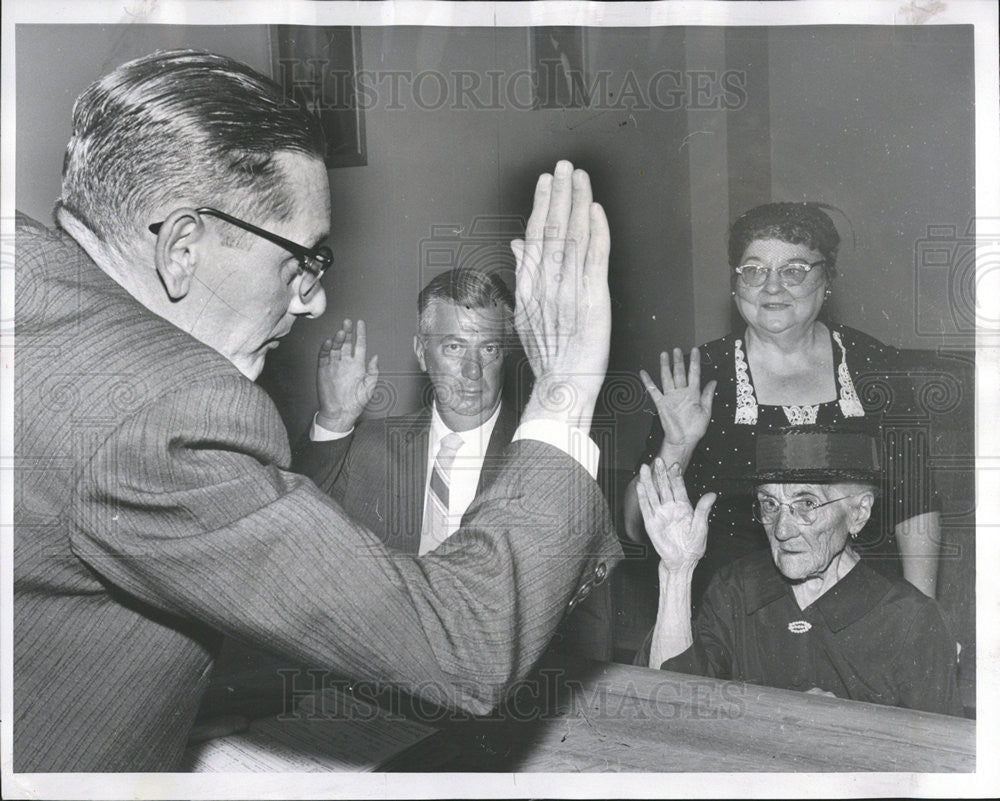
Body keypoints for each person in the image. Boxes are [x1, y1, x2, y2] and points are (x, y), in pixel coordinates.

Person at [13, 49, 620, 771]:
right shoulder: (167, 413)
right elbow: (466, 647)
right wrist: (566, 387)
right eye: (302, 260)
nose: (313, 299)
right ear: (181, 247)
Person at [623, 202, 941, 605]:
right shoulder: (700, 376)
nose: (772, 287)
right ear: (736, 283)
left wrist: (920, 617)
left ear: (827, 280)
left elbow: (914, 502)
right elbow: (634, 525)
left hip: (863, 606)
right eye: (754, 270)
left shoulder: (873, 365)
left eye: (794, 270)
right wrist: (676, 448)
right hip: (731, 612)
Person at [289, 267, 612, 658]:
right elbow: (292, 540)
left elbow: (589, 626)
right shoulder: (370, 445)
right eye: (454, 347)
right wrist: (335, 422)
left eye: (489, 349)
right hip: (373, 686)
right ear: (422, 353)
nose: (473, 371)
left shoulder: (546, 460)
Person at [635, 428, 961, 716]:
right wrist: (677, 571)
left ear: (858, 512)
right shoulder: (737, 588)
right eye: (769, 504)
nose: (782, 529)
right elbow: (669, 704)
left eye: (806, 504)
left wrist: (852, 728)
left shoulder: (912, 619)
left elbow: (936, 766)